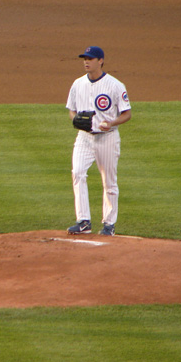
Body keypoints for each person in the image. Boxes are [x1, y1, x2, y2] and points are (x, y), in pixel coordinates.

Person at [66, 46, 132, 236]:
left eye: (91, 59)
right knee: (78, 173)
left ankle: (109, 224)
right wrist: (74, 118)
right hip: (84, 138)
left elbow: (127, 114)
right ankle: (84, 221)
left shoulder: (115, 85)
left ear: (100, 61)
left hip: (108, 138)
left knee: (109, 182)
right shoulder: (78, 84)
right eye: (84, 59)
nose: (86, 62)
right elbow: (71, 110)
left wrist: (112, 122)